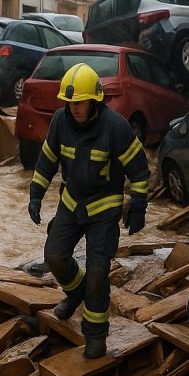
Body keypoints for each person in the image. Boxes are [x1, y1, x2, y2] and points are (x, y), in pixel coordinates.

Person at [28, 62, 150, 359]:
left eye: (79, 102)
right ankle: (75, 293)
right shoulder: (60, 121)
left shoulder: (116, 127)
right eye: (69, 103)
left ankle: (95, 335)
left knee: (97, 271)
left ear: (94, 100)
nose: (73, 109)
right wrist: (35, 195)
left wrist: (138, 207)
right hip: (71, 203)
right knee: (54, 257)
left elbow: (140, 170)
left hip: (104, 209)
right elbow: (47, 160)